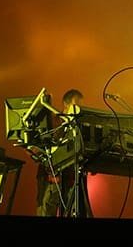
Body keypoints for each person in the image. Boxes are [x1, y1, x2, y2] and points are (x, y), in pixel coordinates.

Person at [35, 89, 92, 217]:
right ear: (66, 105)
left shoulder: (79, 125)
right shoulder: (54, 122)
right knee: (46, 210)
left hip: (71, 178)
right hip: (51, 179)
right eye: (76, 105)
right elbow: (39, 147)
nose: (79, 109)